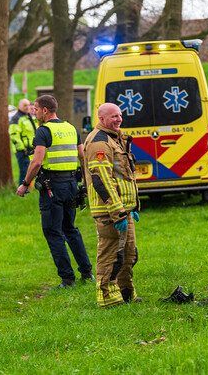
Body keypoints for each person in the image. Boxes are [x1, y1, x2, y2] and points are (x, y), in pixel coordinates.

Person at [16, 95, 92, 288]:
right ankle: (87, 272)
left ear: (45, 111)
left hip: (52, 187)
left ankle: (67, 279)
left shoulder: (43, 131)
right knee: (70, 228)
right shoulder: (71, 128)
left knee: (53, 232)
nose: (34, 111)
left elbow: (37, 161)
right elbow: (82, 157)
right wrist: (83, 183)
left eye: (36, 108)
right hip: (71, 185)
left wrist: (25, 183)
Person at [82, 102, 140, 307]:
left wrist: (131, 206)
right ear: (102, 118)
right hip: (111, 211)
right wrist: (117, 211)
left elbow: (124, 175)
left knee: (129, 254)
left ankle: (125, 293)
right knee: (111, 255)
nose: (118, 119)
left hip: (124, 209)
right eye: (113, 116)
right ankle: (107, 298)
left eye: (120, 115)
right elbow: (102, 180)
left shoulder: (115, 138)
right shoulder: (99, 142)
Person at [10, 98, 37, 185]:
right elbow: (14, 135)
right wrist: (22, 149)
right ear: (19, 106)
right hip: (23, 151)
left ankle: (29, 188)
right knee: (24, 171)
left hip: (31, 149)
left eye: (28, 105)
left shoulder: (28, 117)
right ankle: (22, 188)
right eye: (25, 105)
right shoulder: (16, 118)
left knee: (31, 170)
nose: (27, 107)